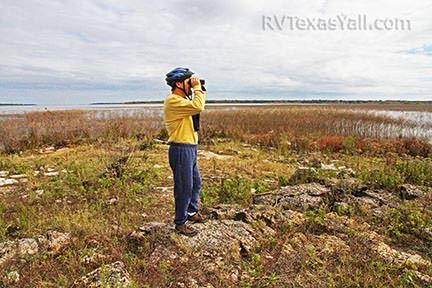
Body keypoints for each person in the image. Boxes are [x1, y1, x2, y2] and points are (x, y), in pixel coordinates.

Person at [163, 67, 207, 236]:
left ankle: (191, 212)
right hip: (181, 149)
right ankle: (180, 223)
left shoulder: (184, 104)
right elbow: (199, 106)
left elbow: (197, 105)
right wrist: (197, 89)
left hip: (190, 148)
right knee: (184, 187)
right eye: (189, 82)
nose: (192, 84)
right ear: (179, 83)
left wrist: (198, 89)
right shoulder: (173, 101)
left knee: (195, 183)